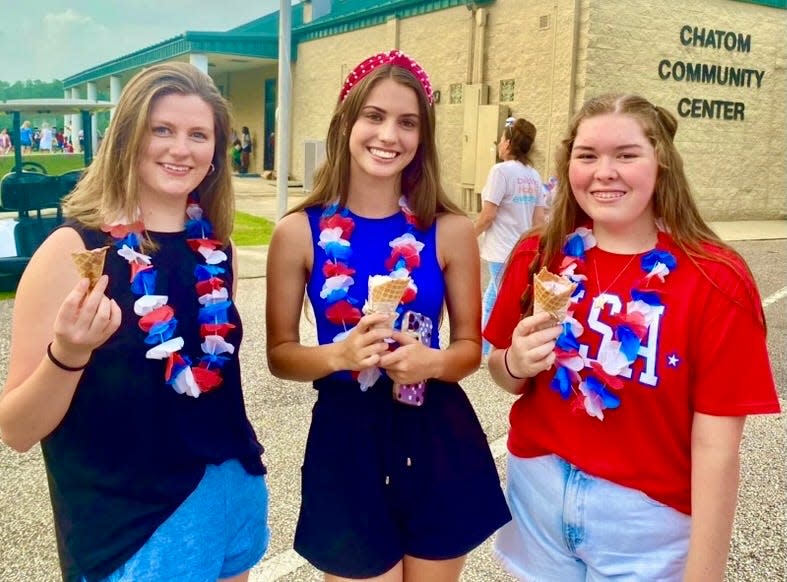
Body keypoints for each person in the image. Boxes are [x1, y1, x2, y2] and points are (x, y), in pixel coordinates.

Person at [483, 93, 780, 581]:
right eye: (587, 155)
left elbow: (717, 448)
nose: (604, 171)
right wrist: (515, 361)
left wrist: (706, 573)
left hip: (648, 519)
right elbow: (502, 371)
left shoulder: (716, 280)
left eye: (626, 154)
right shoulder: (539, 254)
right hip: (536, 491)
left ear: (661, 162)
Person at [0, 62, 269, 582]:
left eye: (198, 134)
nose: (180, 149)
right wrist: (68, 354)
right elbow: (15, 429)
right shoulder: (72, 251)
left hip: (231, 500)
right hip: (132, 530)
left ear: (216, 151)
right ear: (128, 137)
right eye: (161, 130)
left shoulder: (218, 250)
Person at [266, 49, 510, 582]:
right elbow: (281, 355)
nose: (388, 135)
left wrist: (433, 363)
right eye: (373, 116)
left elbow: (471, 347)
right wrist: (339, 354)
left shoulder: (450, 229)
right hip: (346, 437)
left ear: (422, 137)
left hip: (434, 431)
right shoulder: (296, 232)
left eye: (407, 122)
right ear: (346, 122)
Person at [474, 116, 547, 358]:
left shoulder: (500, 171)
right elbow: (539, 221)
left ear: (507, 143)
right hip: (521, 250)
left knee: (496, 300)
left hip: (500, 249)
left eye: (501, 140)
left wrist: (467, 236)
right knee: (496, 295)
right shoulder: (534, 176)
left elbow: (488, 214)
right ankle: (490, 346)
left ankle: (487, 350)